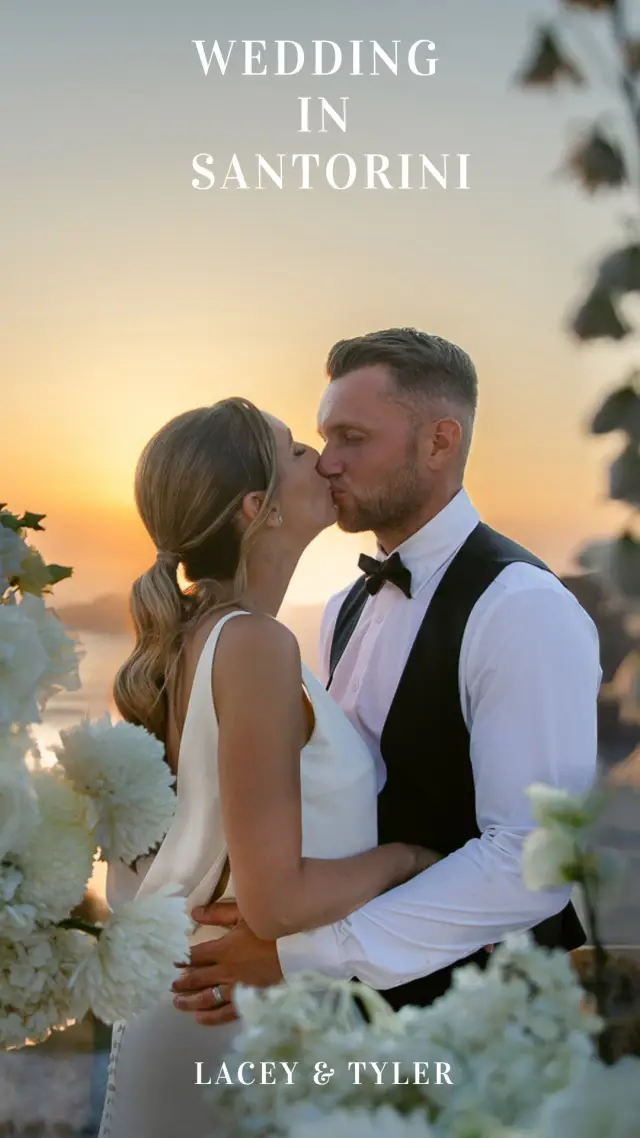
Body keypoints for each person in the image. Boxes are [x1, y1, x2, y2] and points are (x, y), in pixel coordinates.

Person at [171, 327, 601, 1022]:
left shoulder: (521, 609)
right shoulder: (343, 607)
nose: (328, 463)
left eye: (353, 438)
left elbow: (534, 860)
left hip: (478, 1032)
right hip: (358, 1025)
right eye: (322, 438)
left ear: (440, 441)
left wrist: (296, 958)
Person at [98, 396, 438, 1138]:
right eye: (293, 451)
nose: (320, 458)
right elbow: (277, 902)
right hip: (227, 1032)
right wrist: (410, 859)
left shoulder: (210, 637)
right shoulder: (253, 645)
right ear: (259, 507)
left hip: (235, 1019)